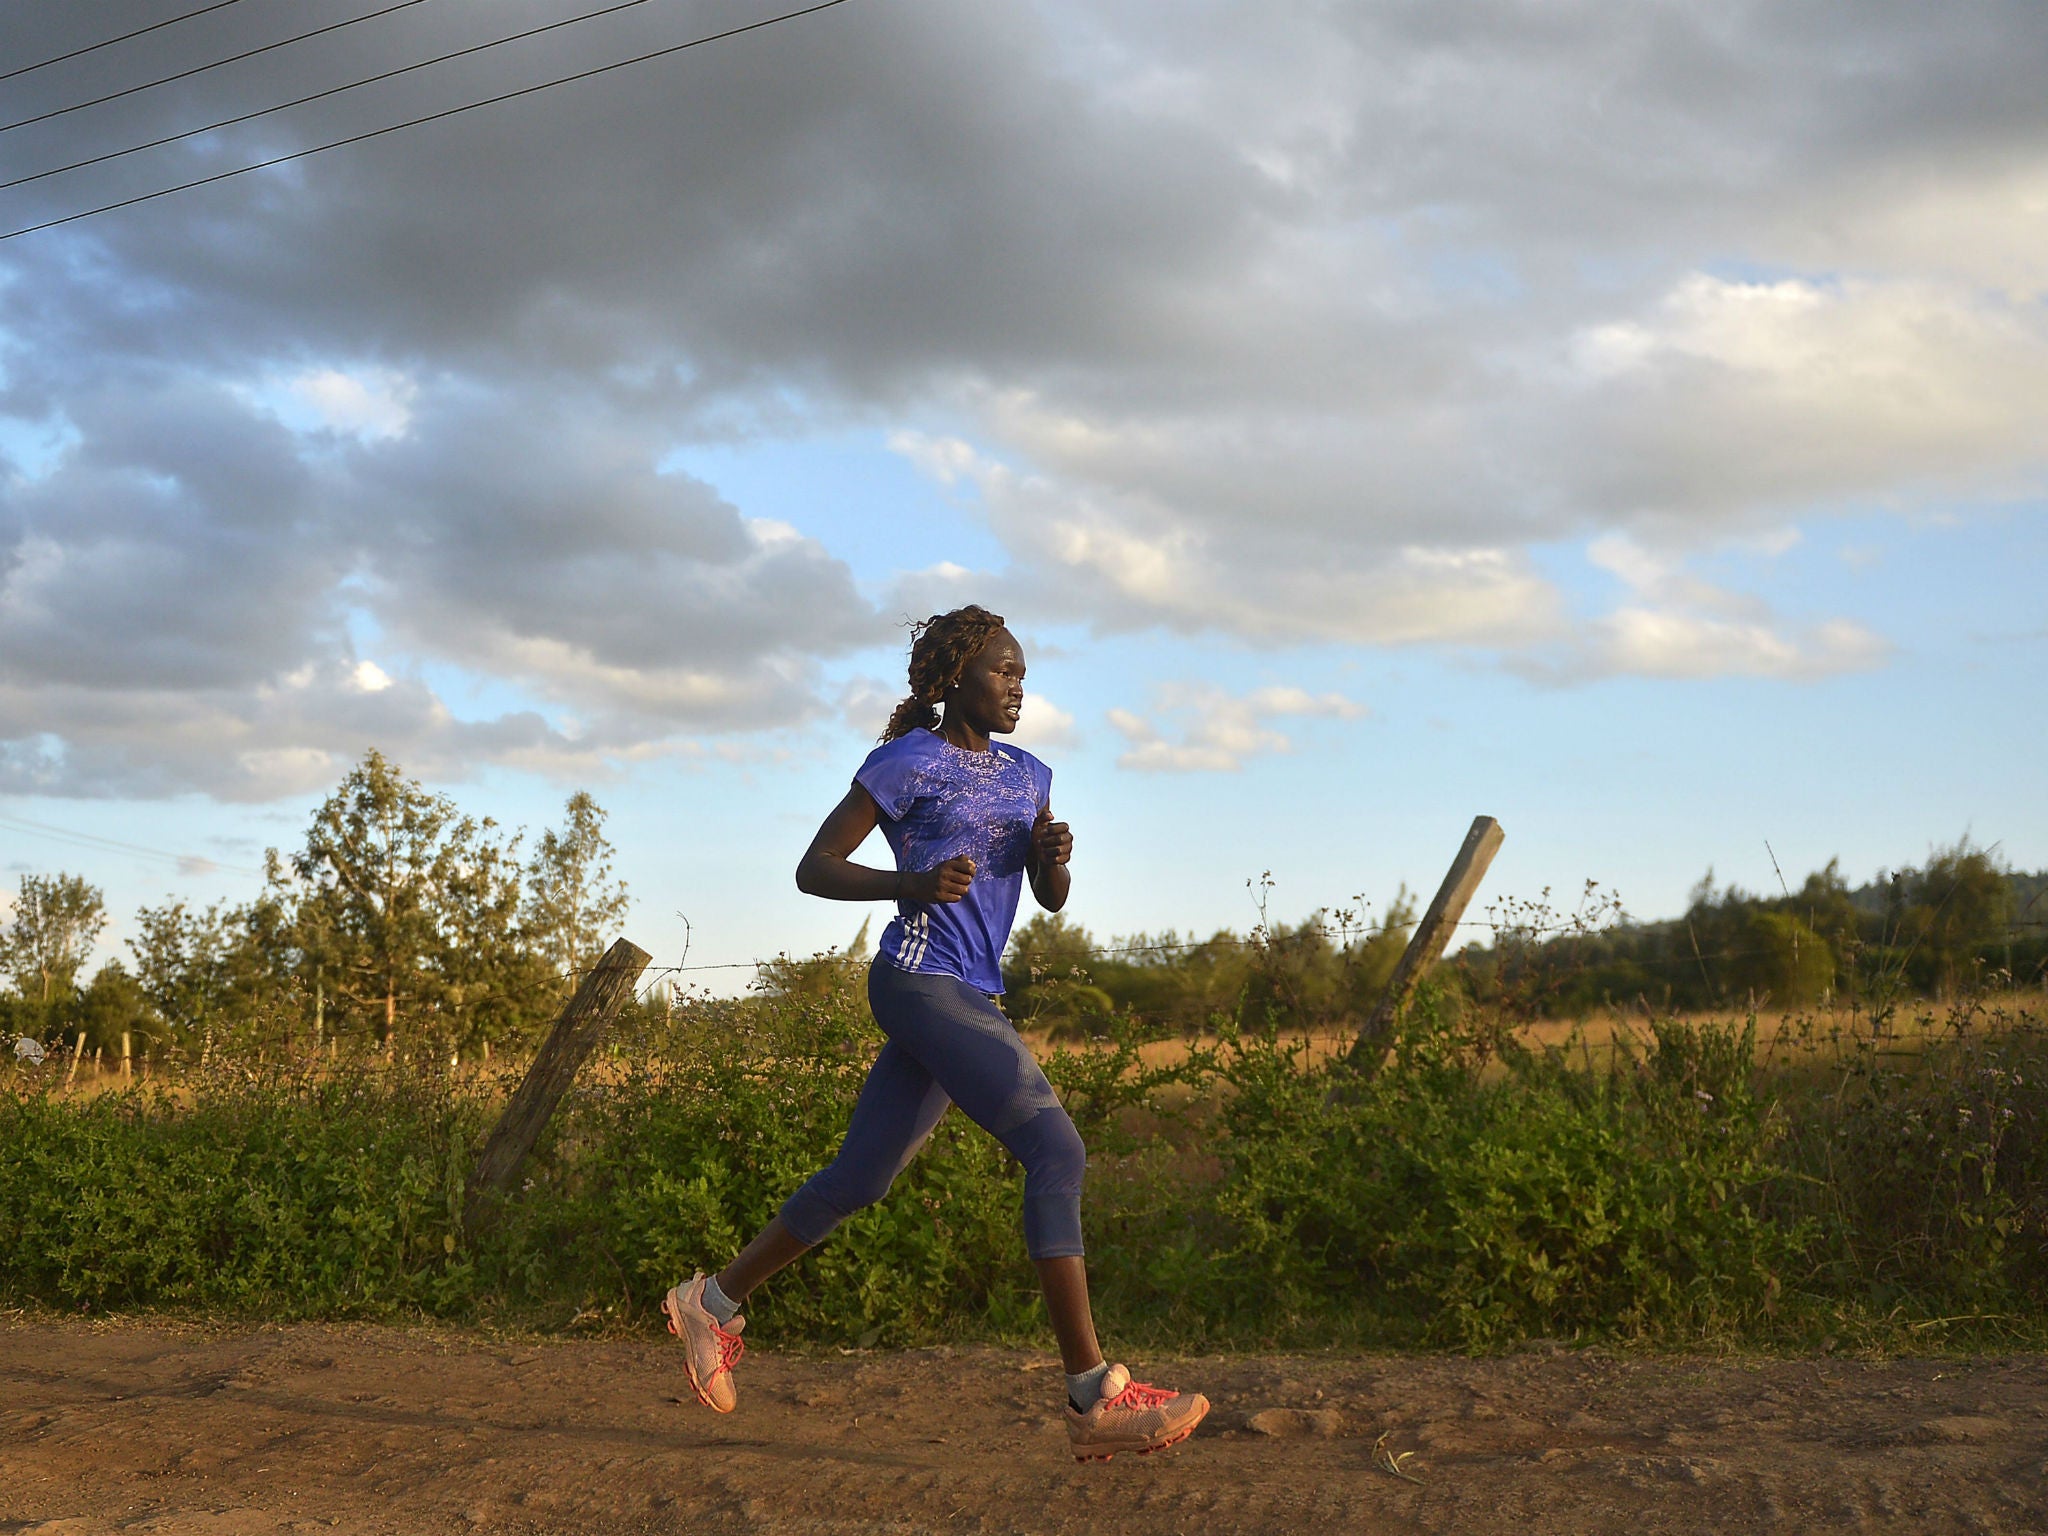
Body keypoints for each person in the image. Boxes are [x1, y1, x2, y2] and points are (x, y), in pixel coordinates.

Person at [663, 604, 1209, 1461]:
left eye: (1024, 675)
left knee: (861, 1178)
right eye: (1003, 672)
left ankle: (712, 1302)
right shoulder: (906, 761)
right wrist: (910, 881)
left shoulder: (1031, 774)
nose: (1018, 689)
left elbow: (1051, 896)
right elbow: (814, 868)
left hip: (971, 991)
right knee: (1058, 1154)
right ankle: (1092, 1395)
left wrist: (1053, 858)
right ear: (953, 676)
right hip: (918, 979)